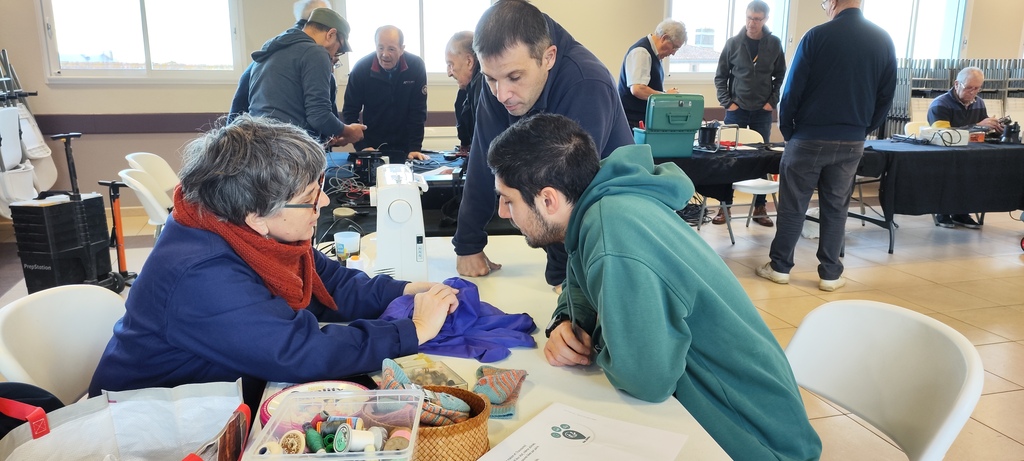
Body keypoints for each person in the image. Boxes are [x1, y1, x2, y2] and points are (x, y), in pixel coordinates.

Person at [488, 113, 822, 461]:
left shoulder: (613, 228)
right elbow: (578, 279)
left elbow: (646, 382)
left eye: (508, 199)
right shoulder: (601, 201)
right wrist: (566, 322)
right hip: (718, 412)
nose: (502, 210)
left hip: (754, 439)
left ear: (547, 200)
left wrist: (601, 337)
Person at [89, 115, 460, 413]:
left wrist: (409, 291)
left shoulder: (239, 226)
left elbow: (328, 281)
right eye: (310, 197)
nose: (325, 204)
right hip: (148, 426)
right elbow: (298, 351)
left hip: (213, 393)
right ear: (257, 216)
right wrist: (411, 330)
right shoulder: (201, 273)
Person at [454, 0, 634, 290]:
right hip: (567, 219)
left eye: (515, 77)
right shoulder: (502, 77)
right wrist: (468, 243)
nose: (501, 94)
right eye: (490, 79)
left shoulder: (586, 83)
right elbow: (483, 159)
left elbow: (570, 191)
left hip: (613, 219)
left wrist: (564, 278)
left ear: (548, 57)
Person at [758, 0, 896, 292]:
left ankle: (780, 267)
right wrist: (862, 128)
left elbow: (793, 88)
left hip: (809, 137)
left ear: (833, 2)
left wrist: (789, 131)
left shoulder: (817, 36)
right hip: (852, 140)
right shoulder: (883, 40)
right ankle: (830, 273)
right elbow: (886, 96)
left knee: (794, 205)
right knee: (836, 207)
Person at [228, 8, 365, 147]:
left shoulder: (269, 50)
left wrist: (328, 137)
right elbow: (319, 116)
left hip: (256, 145)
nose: (335, 54)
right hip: (288, 149)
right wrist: (348, 131)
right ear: (331, 34)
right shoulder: (316, 52)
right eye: (339, 49)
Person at [711, 0, 786, 227]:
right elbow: (720, 77)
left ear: (765, 20)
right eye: (749, 18)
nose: (752, 23)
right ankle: (725, 206)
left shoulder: (773, 44)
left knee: (762, 158)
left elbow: (781, 76)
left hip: (762, 112)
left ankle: (760, 207)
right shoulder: (733, 43)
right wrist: (728, 103)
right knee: (729, 158)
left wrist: (772, 102)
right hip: (737, 111)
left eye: (757, 19)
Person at [928, 66, 1004, 229]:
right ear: (957, 84)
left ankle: (961, 211)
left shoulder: (979, 103)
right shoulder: (940, 104)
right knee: (954, 169)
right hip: (944, 154)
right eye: (969, 87)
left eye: (977, 88)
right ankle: (943, 210)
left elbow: (982, 129)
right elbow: (944, 135)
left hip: (970, 152)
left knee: (981, 170)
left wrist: (995, 127)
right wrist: (977, 126)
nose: (973, 92)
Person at [342, 25, 429, 161]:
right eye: (380, 47)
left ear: (402, 49)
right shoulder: (361, 69)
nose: (385, 54)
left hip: (405, 148)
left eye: (391, 49)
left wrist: (415, 148)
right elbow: (349, 111)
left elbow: (418, 111)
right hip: (372, 148)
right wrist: (362, 147)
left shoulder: (416, 66)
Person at [617, 19, 685, 128]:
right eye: (675, 47)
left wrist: (665, 94)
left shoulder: (655, 55)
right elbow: (638, 89)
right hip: (632, 122)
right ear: (664, 38)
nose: (673, 53)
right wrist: (666, 96)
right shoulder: (641, 52)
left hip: (641, 120)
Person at [446, 31, 483, 152]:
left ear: (469, 61)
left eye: (451, 64)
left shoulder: (482, 86)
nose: (449, 73)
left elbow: (482, 146)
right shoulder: (469, 88)